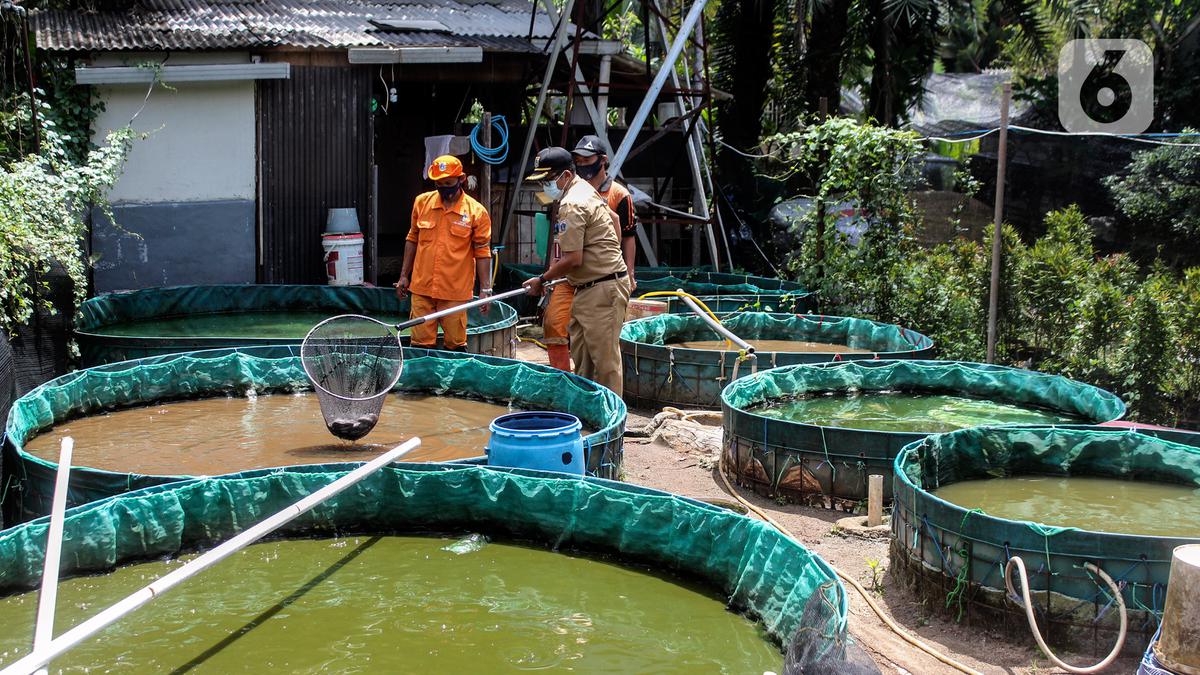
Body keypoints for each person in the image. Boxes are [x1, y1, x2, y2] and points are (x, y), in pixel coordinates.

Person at [523, 147, 630, 395]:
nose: (546, 187)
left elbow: (573, 258)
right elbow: (613, 219)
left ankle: (613, 425)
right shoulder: (585, 189)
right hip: (587, 286)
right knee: (584, 361)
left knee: (605, 362)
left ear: (566, 176)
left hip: (602, 288)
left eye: (549, 180)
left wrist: (542, 279)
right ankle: (588, 413)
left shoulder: (573, 202)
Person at [540, 136, 639, 371]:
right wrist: (551, 273)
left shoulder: (616, 194)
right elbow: (558, 236)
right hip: (569, 274)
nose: (583, 163)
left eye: (588, 159)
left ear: (602, 160)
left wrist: (624, 269)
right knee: (556, 325)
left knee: (603, 351)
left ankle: (609, 403)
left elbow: (625, 232)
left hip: (596, 275)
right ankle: (564, 381)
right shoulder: (571, 191)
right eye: (579, 159)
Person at [395, 155, 492, 352]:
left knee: (455, 346)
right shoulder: (422, 203)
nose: (443, 187)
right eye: (438, 183)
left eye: (448, 182)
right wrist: (404, 276)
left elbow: (482, 251)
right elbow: (412, 239)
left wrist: (485, 289)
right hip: (422, 288)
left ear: (461, 179)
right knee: (420, 347)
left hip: (454, 292)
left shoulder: (476, 212)